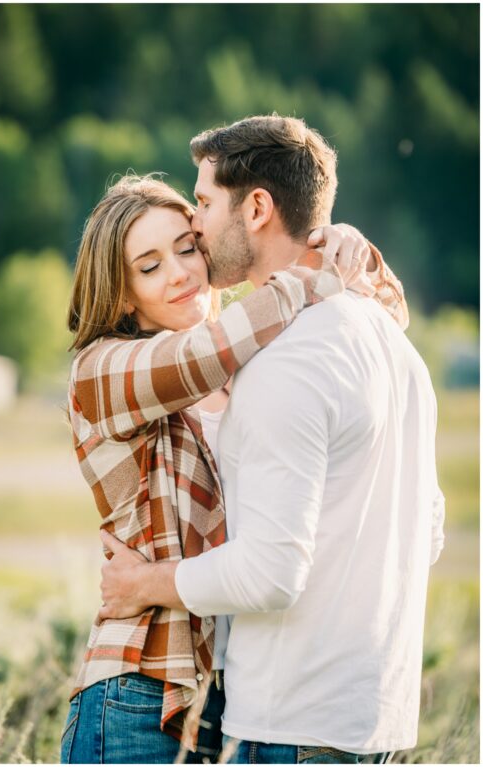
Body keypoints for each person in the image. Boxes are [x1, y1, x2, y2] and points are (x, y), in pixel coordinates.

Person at [97, 115, 443, 764]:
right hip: (379, 722)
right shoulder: (399, 350)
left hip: (291, 722)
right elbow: (425, 534)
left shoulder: (285, 363)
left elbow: (269, 572)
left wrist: (148, 581)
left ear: (256, 207)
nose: (195, 224)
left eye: (202, 202)